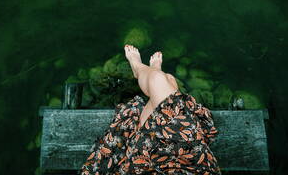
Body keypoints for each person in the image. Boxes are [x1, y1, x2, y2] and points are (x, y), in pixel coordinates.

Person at [79, 45, 221, 175]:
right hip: (189, 163)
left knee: (160, 80)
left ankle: (138, 68)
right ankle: (151, 74)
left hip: (147, 164)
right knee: (168, 81)